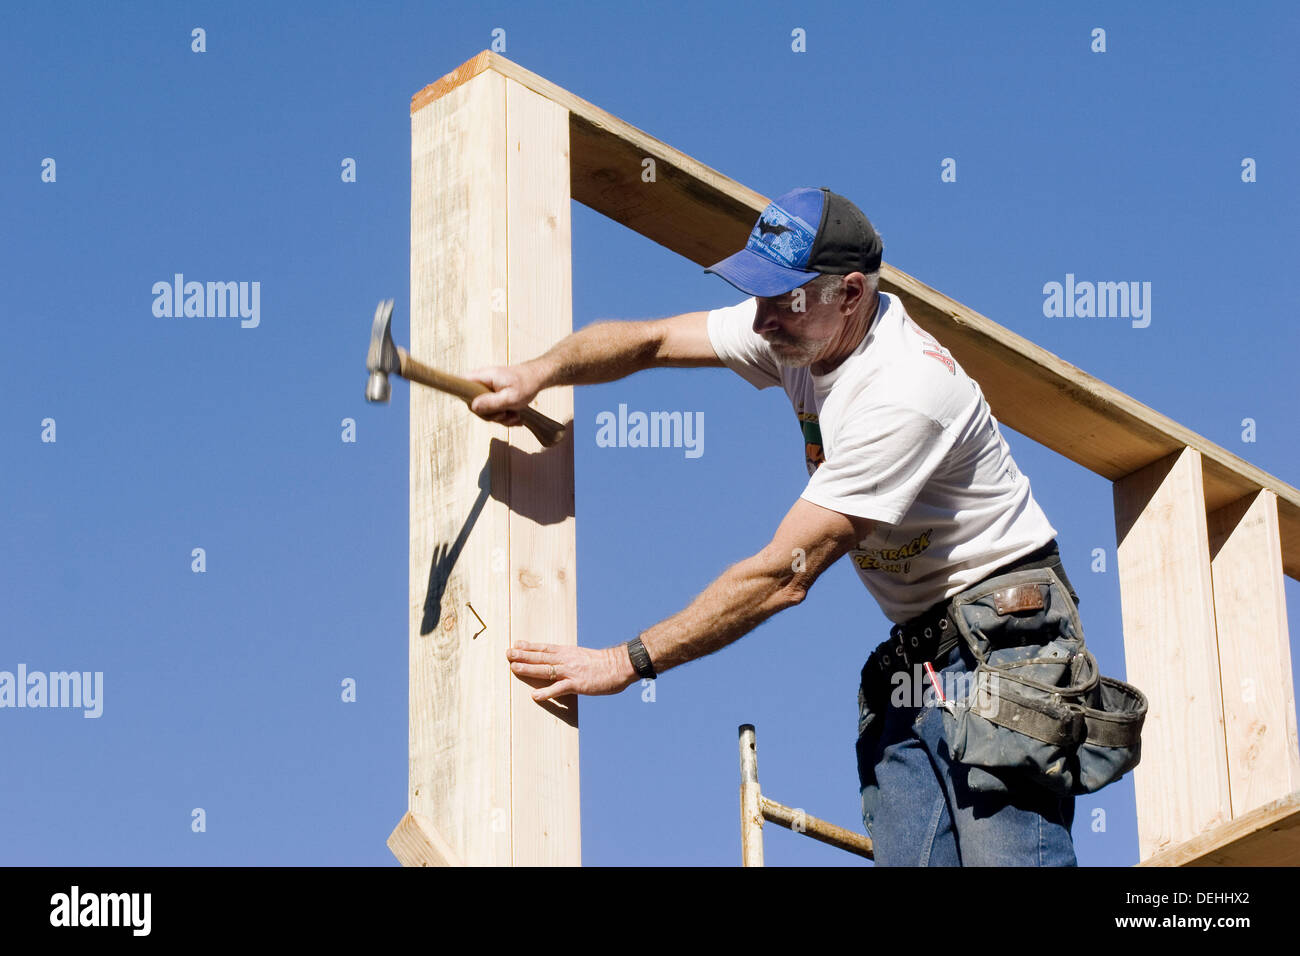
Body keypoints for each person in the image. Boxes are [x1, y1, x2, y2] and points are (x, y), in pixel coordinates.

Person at [466, 186, 1085, 866]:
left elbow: (781, 578)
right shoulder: (795, 328)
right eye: (757, 294)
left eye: (781, 299)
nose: (760, 321)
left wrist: (623, 662)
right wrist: (538, 372)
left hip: (1007, 636)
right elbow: (652, 340)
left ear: (850, 294)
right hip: (921, 652)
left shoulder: (905, 393)